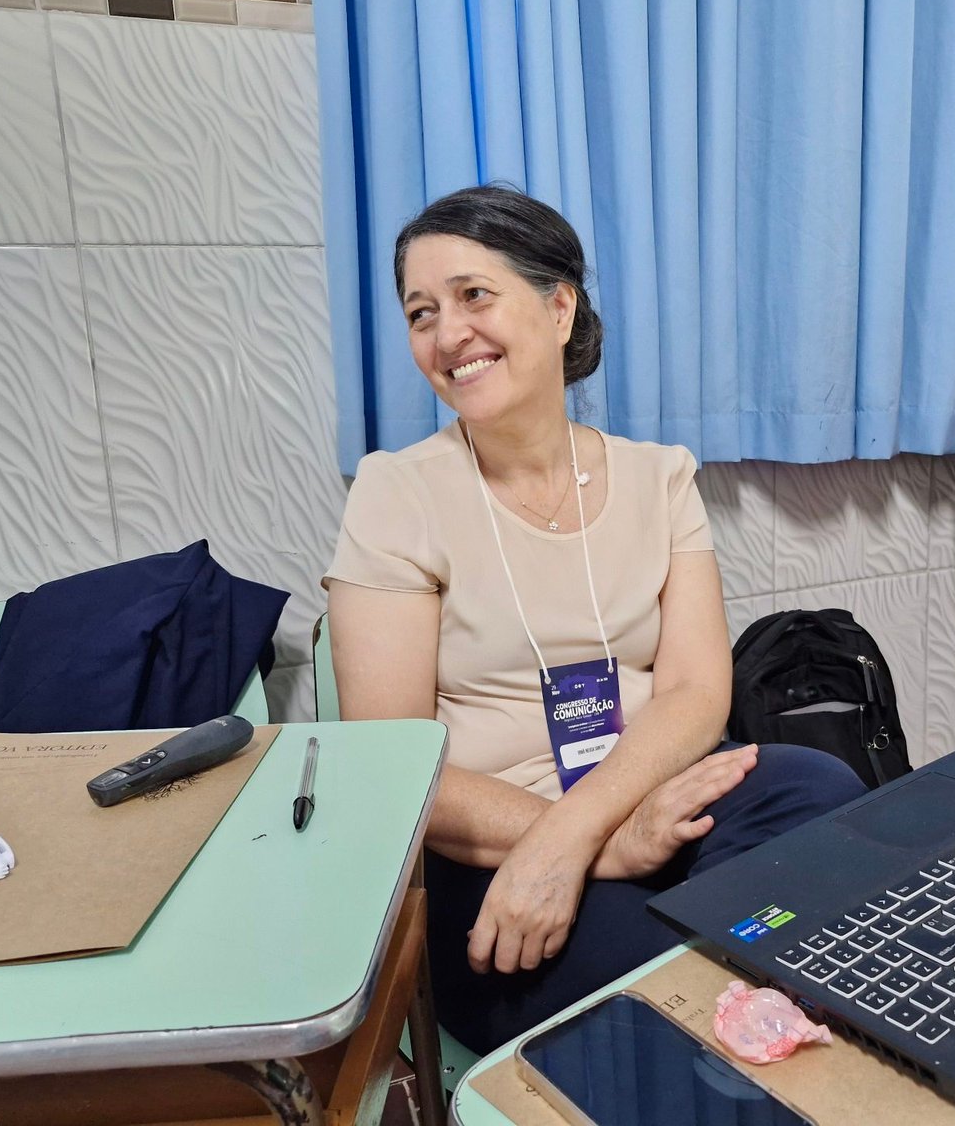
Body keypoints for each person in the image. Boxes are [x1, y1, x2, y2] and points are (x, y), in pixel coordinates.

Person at [323, 185, 866, 1053]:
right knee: (678, 977)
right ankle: (750, 993)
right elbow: (392, 759)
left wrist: (593, 829)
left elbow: (696, 693)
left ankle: (750, 987)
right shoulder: (397, 495)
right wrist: (585, 849)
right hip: (492, 857)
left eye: (472, 295)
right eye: (421, 313)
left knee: (819, 786)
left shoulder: (659, 477)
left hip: (649, 800)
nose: (447, 334)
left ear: (559, 308)